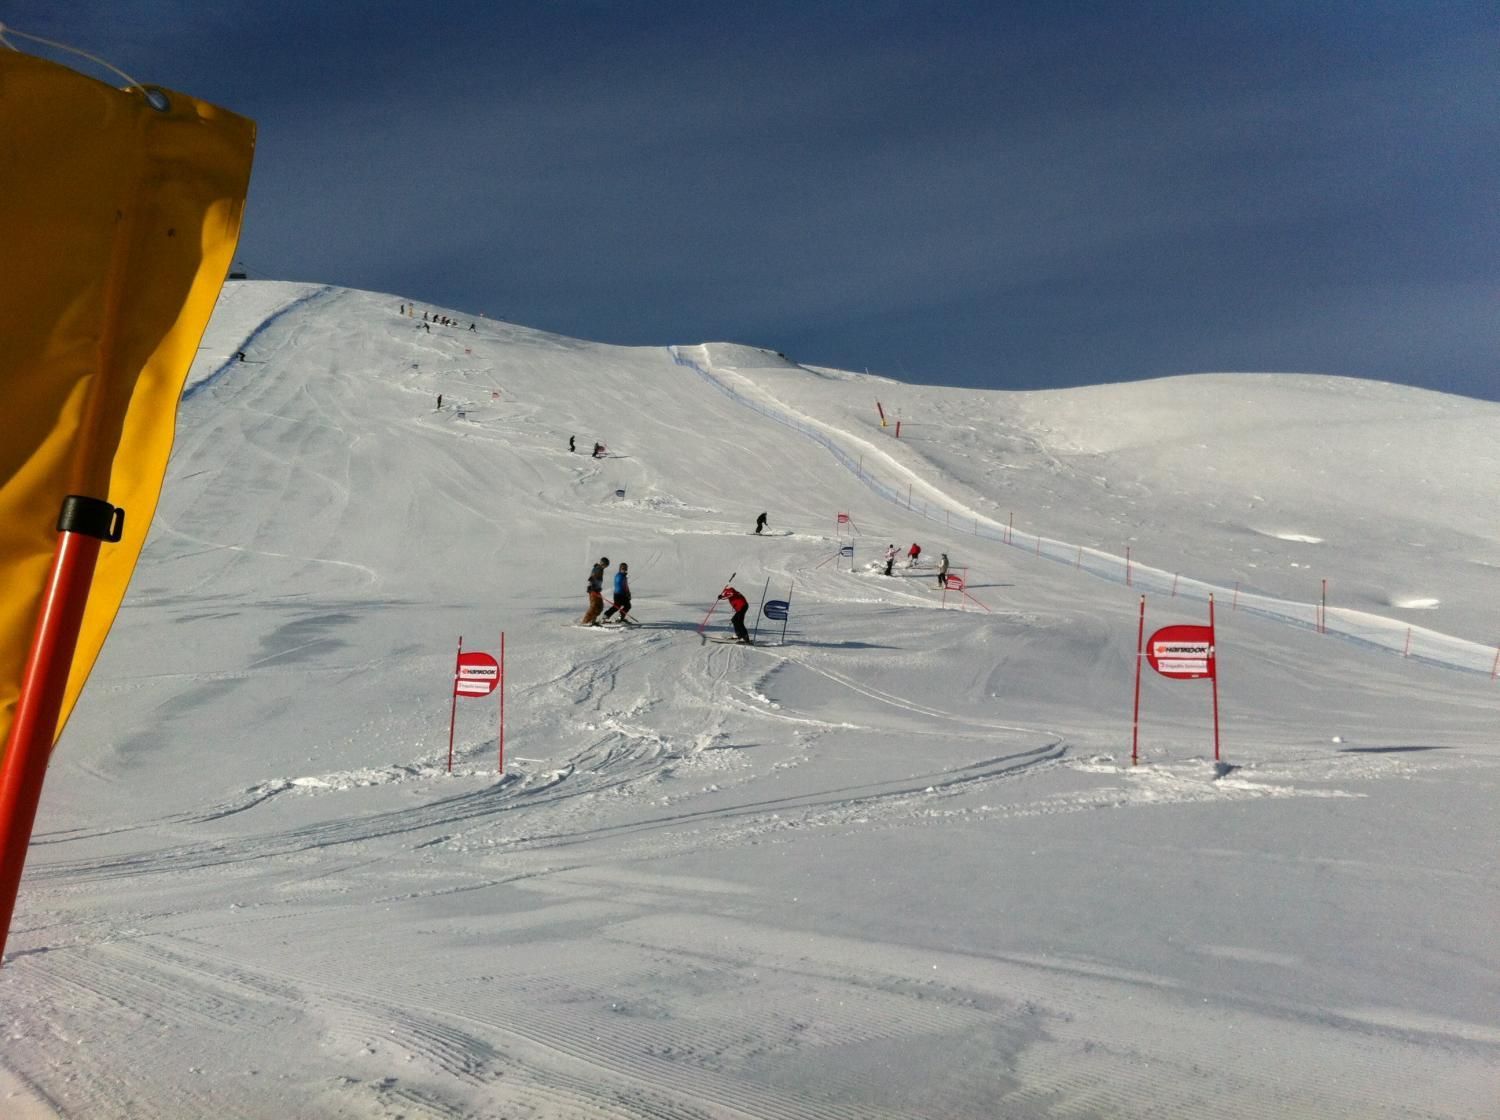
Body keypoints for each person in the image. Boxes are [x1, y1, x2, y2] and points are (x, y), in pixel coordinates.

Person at [580, 556, 609, 625]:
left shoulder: (600, 569)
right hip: (593, 590)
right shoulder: (597, 569)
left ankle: (593, 620)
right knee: (594, 606)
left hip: (597, 590)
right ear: (602, 563)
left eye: (607, 565)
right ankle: (586, 621)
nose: (606, 567)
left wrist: (598, 587)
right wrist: (591, 586)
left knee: (600, 606)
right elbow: (591, 578)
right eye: (605, 565)